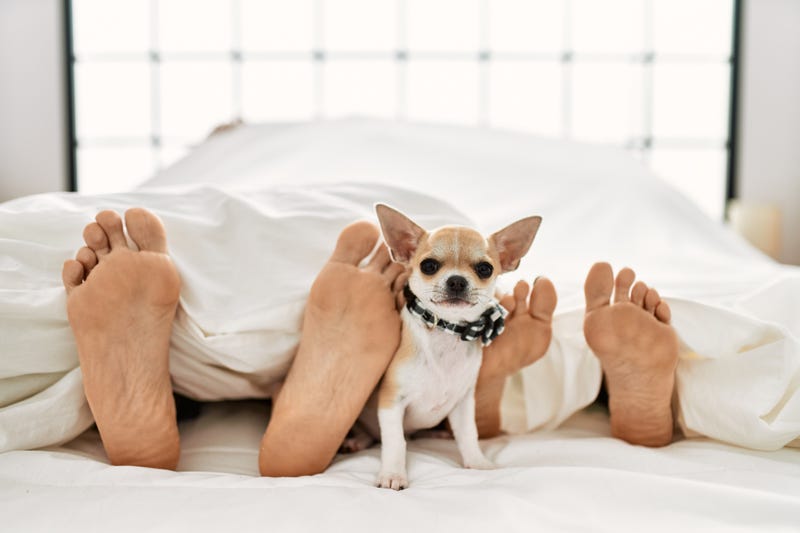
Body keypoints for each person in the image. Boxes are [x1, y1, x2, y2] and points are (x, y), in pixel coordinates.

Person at [61, 208, 679, 475]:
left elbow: (454, 267)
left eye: (482, 269)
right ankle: (359, 377)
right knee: (429, 376)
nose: (458, 279)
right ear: (403, 250)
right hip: (407, 368)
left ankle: (478, 386)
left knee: (459, 376)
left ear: (510, 258)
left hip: (445, 362)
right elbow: (454, 264)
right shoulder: (421, 254)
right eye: (431, 266)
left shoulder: (449, 263)